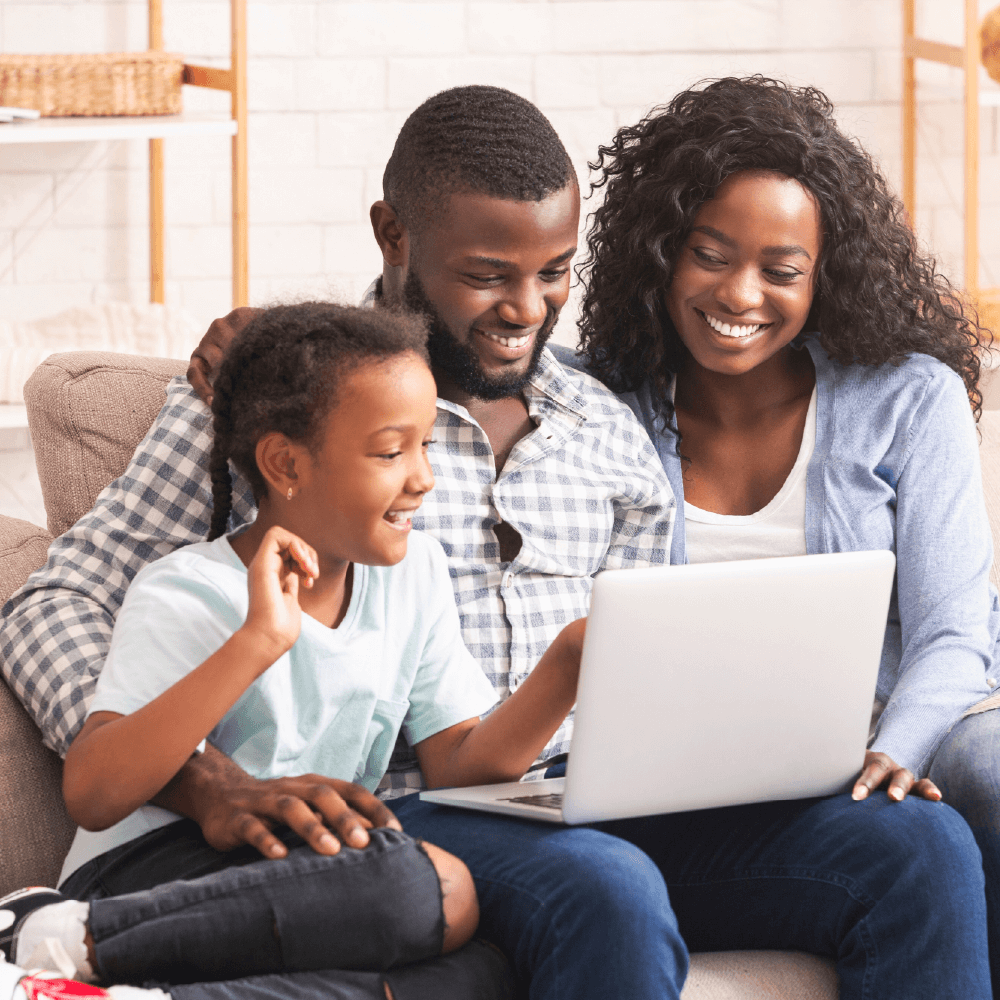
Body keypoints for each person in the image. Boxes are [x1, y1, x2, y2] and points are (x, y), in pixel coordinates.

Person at [0, 85, 992, 1000]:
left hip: (581, 803)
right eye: (485, 275)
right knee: (602, 884)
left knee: (918, 849)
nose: (526, 309)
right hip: (403, 817)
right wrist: (203, 776)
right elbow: (54, 600)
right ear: (395, 237)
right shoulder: (283, 397)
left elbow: (660, 660)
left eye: (554, 273)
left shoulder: (610, 423)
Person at [563, 73, 1000, 987]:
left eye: (781, 269)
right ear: (660, 252)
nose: (741, 294)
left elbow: (956, 635)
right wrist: (272, 336)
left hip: (846, 774)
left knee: (951, 814)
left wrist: (893, 755)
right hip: (651, 791)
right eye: (710, 254)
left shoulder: (907, 399)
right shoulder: (596, 396)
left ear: (824, 275)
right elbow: (471, 339)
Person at [3, 303, 547, 1000]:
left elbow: (459, 766)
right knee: (429, 887)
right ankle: (56, 939)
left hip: (287, 875)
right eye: (390, 452)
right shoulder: (191, 588)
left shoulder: (416, 576)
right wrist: (260, 640)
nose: (423, 479)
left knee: (485, 973)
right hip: (142, 872)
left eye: (426, 448)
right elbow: (95, 789)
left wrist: (566, 666)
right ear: (286, 463)